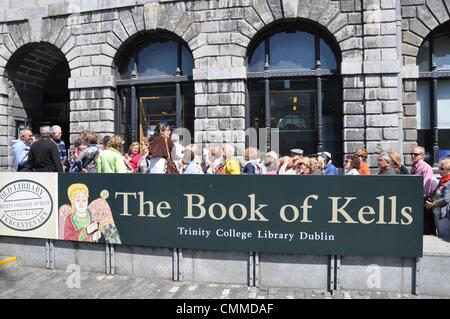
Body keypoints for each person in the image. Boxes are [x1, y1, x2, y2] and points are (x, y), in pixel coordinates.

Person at [411, 146, 436, 235]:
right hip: (415, 197)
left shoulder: (426, 168)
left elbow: (426, 186)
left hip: (423, 199)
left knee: (426, 228)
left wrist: (420, 199)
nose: (413, 156)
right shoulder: (414, 166)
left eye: (416, 154)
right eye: (412, 154)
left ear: (422, 156)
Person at [425, 158, 450, 240]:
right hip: (437, 211)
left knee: (444, 236)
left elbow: (446, 199)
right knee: (440, 234)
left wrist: (433, 204)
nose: (440, 170)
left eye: (442, 169)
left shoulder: (448, 182)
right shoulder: (442, 181)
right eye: (439, 168)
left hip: (444, 214)